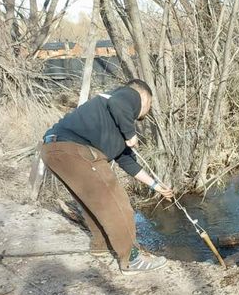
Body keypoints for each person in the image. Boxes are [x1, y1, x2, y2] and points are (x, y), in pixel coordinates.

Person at [40, 79, 174, 274]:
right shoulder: (129, 95)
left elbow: (128, 163)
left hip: (52, 150)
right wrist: (131, 134)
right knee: (117, 203)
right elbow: (118, 103)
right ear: (144, 97)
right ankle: (131, 259)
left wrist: (156, 186)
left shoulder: (111, 123)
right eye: (150, 104)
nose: (148, 109)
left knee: (92, 202)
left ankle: (101, 247)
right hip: (75, 149)